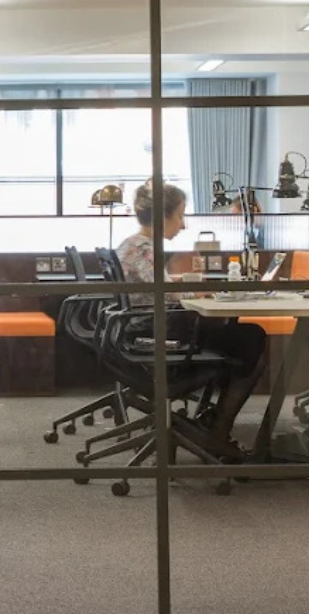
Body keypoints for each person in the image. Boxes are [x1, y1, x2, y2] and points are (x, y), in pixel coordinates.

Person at [114, 181, 268, 461]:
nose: (183, 225)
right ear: (164, 217)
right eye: (181, 215)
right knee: (252, 338)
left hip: (143, 329)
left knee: (237, 338)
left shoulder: (133, 245)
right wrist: (194, 290)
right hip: (159, 333)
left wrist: (184, 284)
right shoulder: (145, 249)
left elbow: (156, 286)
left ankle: (212, 421)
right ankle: (218, 430)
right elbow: (162, 294)